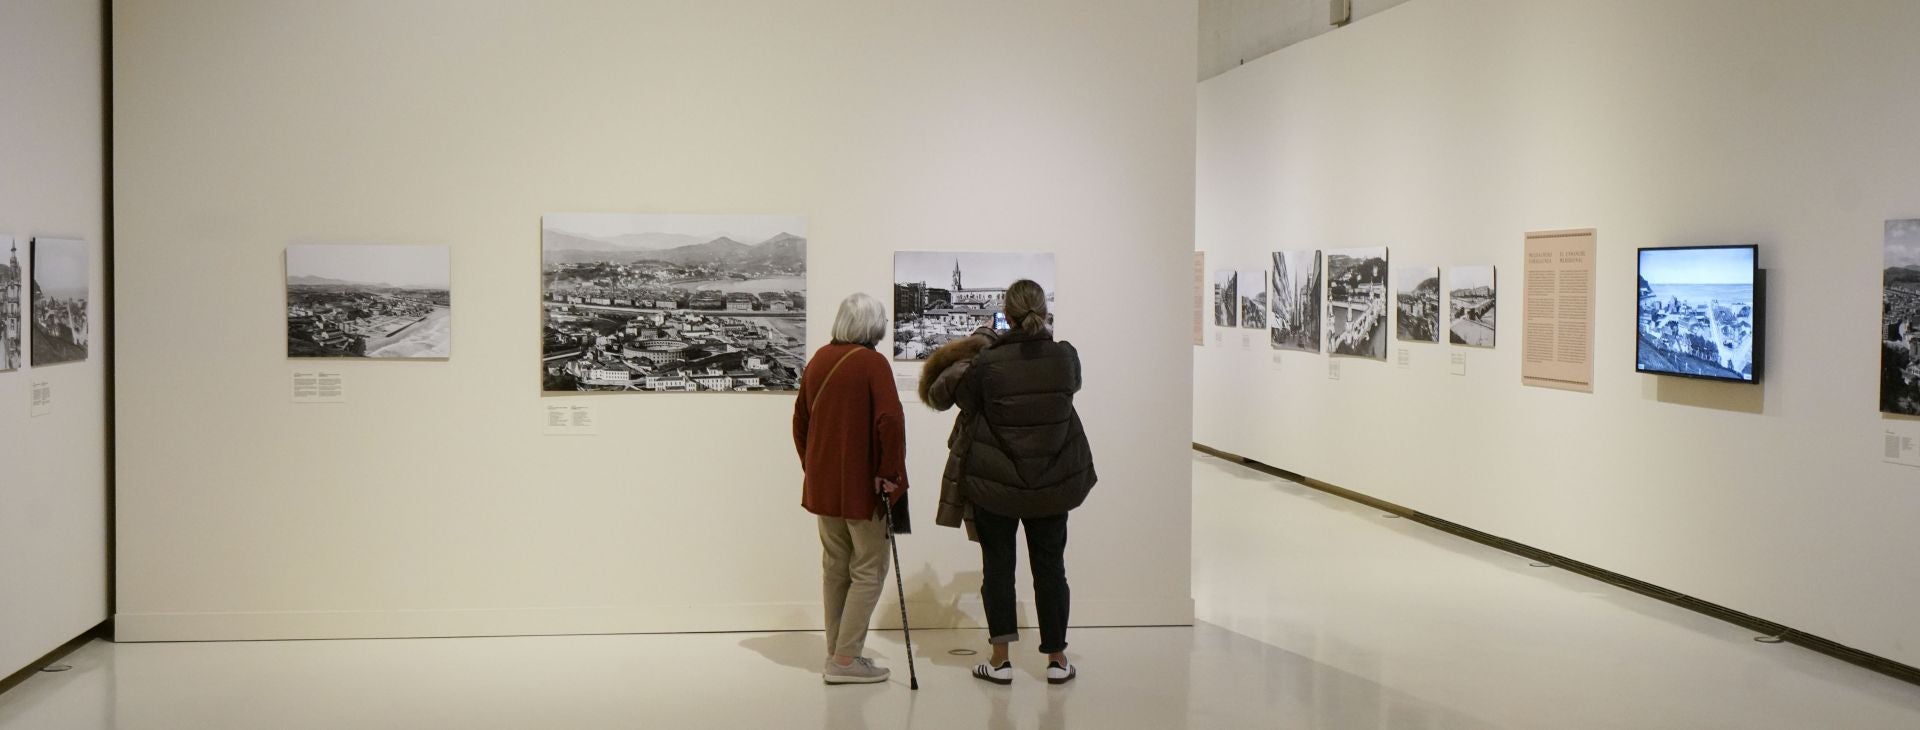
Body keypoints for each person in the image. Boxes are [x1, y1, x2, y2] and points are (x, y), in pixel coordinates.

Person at [922, 280, 1094, 686]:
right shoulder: (1065, 357)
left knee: (998, 569)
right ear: (1043, 311)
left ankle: (1000, 662)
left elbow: (958, 398)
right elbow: (1072, 387)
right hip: (1052, 483)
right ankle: (1056, 659)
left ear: (1007, 315)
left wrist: (978, 344)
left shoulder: (989, 362)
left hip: (995, 482)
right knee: (1051, 569)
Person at [793, 293, 908, 685]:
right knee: (870, 569)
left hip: (825, 487)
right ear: (871, 326)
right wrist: (889, 472)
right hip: (864, 489)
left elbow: (800, 424)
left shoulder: (819, 360)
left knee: (835, 568)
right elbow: (890, 420)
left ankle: (835, 651)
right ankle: (845, 660)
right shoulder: (873, 364)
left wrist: (814, 466)